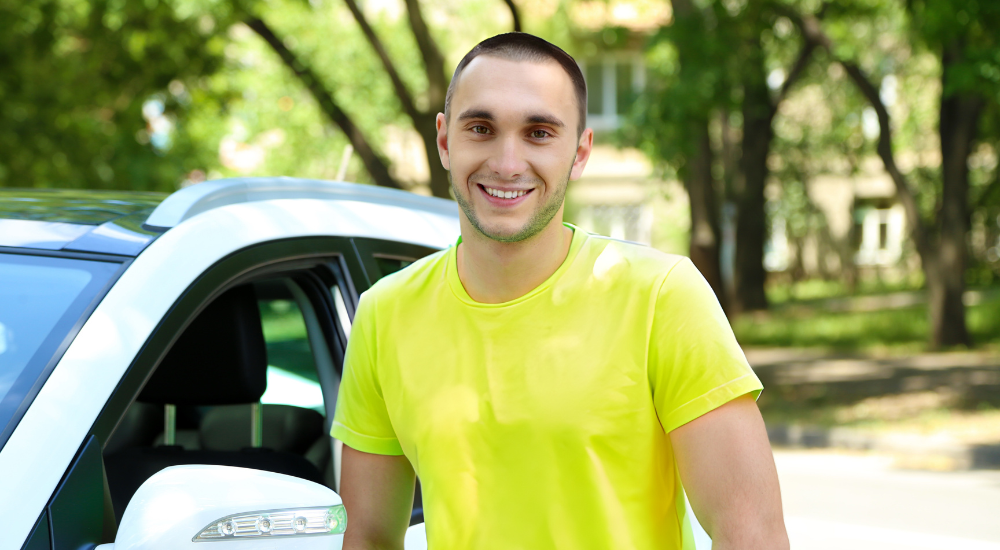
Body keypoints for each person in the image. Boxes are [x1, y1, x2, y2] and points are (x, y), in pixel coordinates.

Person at [331, 32, 788, 550]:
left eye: (539, 133)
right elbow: (367, 537)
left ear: (579, 152)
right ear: (444, 141)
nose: (507, 163)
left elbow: (753, 536)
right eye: (480, 128)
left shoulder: (661, 297)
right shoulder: (384, 313)